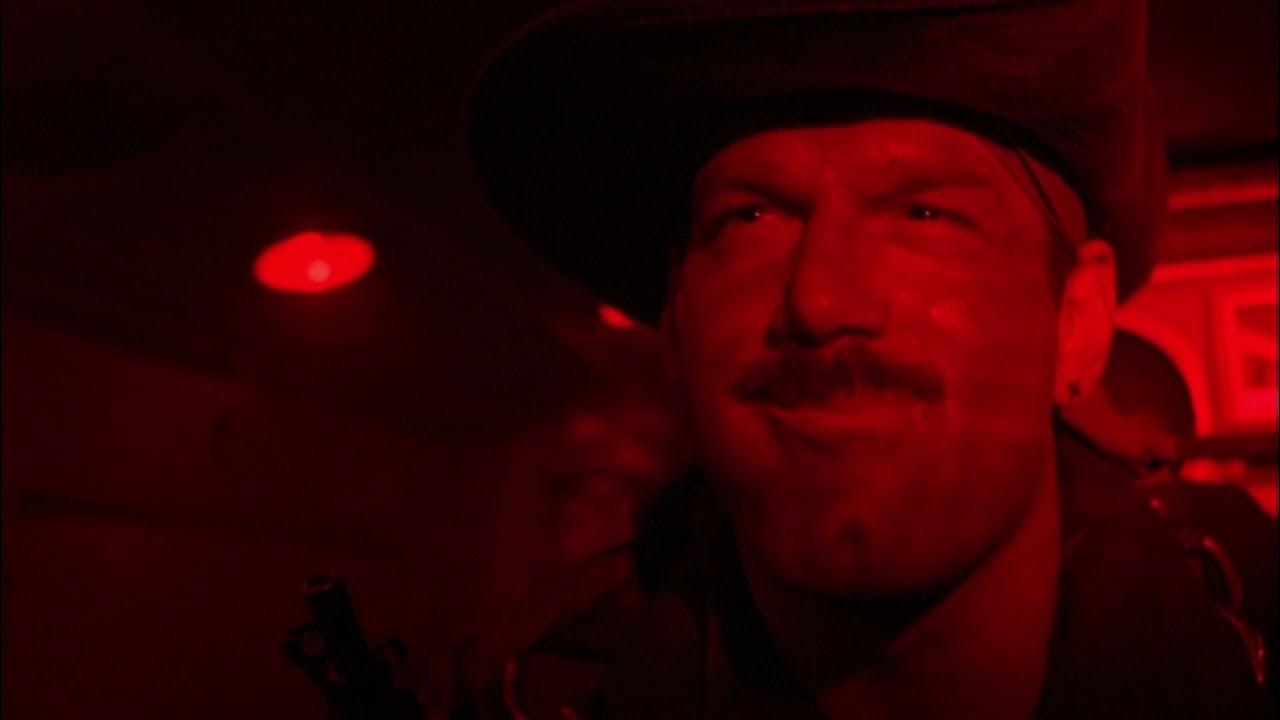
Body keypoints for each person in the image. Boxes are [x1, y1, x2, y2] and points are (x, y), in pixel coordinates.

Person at [456, 1, 1277, 717]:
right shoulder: (530, 692)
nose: (820, 301)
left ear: (1078, 321)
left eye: (924, 215)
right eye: (751, 220)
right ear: (676, 315)